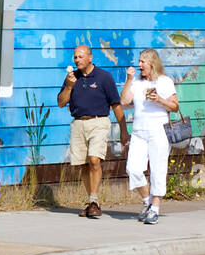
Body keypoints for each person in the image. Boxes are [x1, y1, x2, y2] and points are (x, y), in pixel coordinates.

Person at [57, 44, 125, 218]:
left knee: (94, 160)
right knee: (82, 164)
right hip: (78, 123)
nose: (77, 60)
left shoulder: (104, 77)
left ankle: (94, 201)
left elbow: (116, 104)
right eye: (75, 57)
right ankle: (91, 202)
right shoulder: (72, 78)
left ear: (90, 57)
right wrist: (69, 86)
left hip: (98, 122)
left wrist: (123, 130)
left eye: (80, 57)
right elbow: (61, 102)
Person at [120, 48, 179, 225]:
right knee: (133, 168)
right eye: (139, 62)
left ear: (152, 63)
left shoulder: (164, 81)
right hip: (139, 131)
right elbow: (123, 101)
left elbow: (175, 106)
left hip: (158, 130)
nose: (139, 65)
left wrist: (159, 99)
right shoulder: (136, 83)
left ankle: (155, 208)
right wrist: (129, 80)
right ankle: (147, 201)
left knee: (158, 168)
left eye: (142, 62)